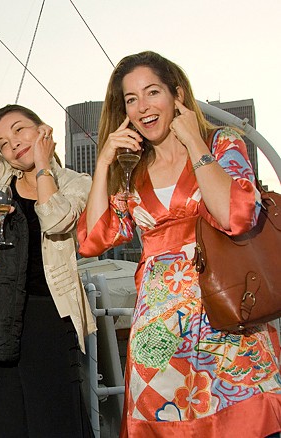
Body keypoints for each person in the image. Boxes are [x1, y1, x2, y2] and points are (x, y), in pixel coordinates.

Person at [78, 51, 281, 437]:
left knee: (246, 422)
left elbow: (235, 217)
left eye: (152, 92)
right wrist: (104, 160)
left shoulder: (222, 143)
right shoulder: (129, 170)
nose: (142, 107)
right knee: (164, 424)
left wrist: (192, 140)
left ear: (178, 95)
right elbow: (94, 239)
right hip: (160, 331)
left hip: (229, 313)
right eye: (131, 99)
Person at [0, 104, 96, 437]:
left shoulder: (78, 182)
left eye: (19, 130)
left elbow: (56, 221)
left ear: (43, 130)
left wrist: (43, 164)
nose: (12, 143)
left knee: (54, 417)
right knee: (2, 419)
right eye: (2, 143)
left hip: (49, 314)